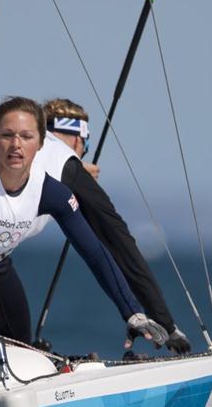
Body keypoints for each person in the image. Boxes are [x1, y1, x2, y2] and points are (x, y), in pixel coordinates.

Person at [0, 54, 186, 352]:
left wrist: (142, 314)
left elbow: (105, 244)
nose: (16, 145)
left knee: (20, 350)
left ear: (41, 143)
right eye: (8, 137)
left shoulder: (54, 177)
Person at [42, 98, 191, 354]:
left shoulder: (11, 138)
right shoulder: (65, 163)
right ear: (79, 141)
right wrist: (165, 322)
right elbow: (120, 245)